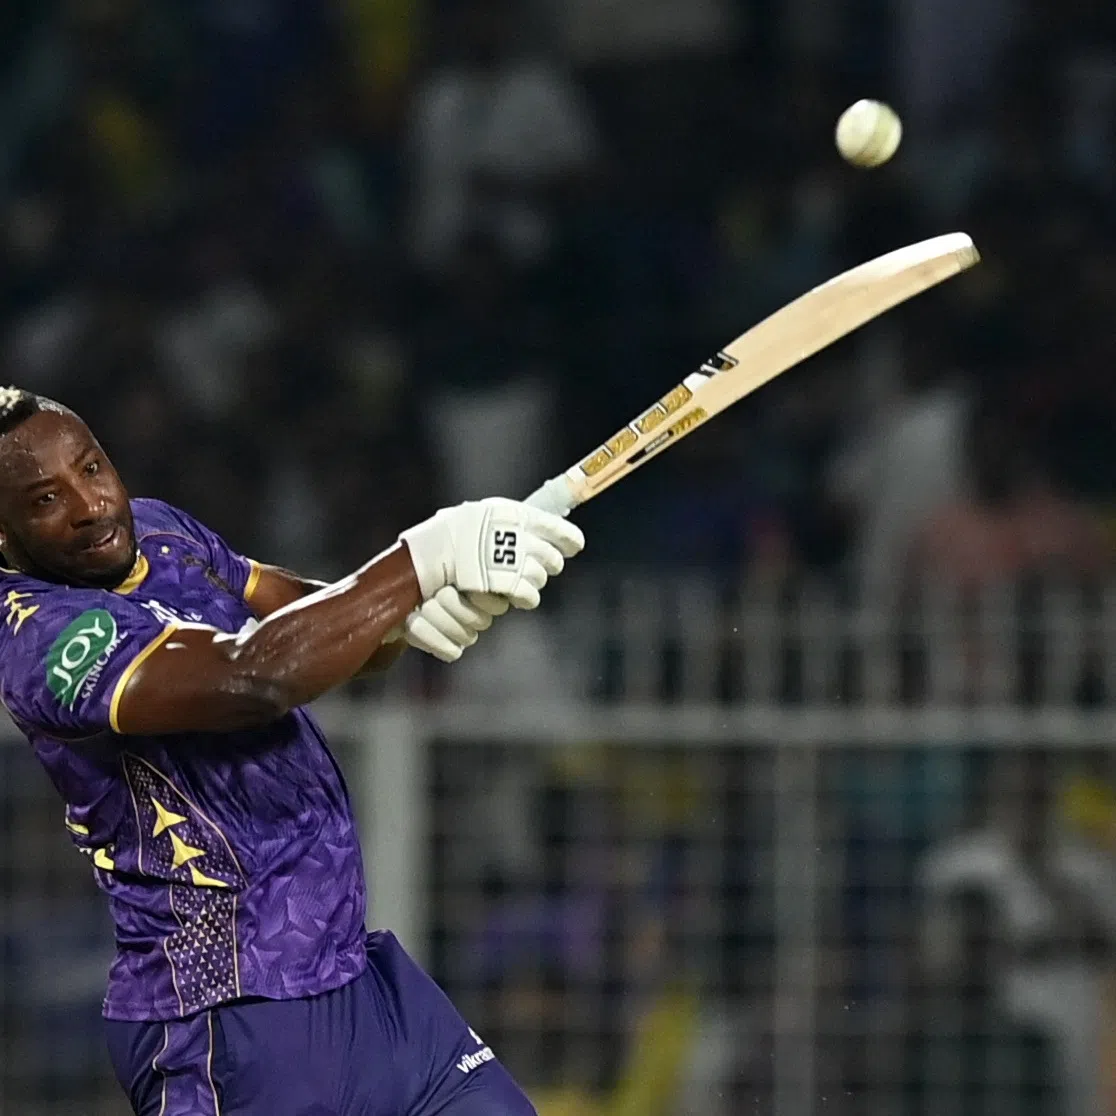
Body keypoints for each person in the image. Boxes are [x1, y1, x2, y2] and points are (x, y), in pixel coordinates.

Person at [0, 387, 584, 1115]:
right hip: (229, 1022)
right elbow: (256, 677)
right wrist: (417, 565)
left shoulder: (159, 531)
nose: (90, 505)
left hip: (364, 988)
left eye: (92, 468)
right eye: (46, 498)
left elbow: (305, 617)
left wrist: (407, 615)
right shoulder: (39, 636)